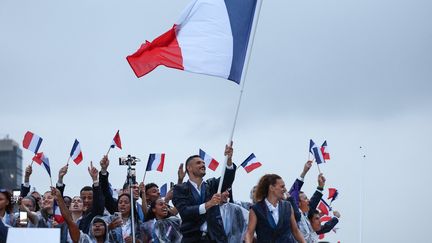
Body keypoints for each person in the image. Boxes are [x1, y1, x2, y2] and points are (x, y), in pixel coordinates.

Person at [172, 142, 236, 243]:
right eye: (198, 163)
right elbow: (185, 212)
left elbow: (227, 180)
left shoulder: (212, 185)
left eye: (203, 163)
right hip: (192, 239)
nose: (203, 165)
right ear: (189, 168)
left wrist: (229, 160)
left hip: (215, 239)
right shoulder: (179, 189)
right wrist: (208, 204)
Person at [245, 174, 306, 243]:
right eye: (282, 187)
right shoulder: (255, 209)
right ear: (271, 188)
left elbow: (295, 231)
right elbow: (249, 233)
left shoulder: (288, 206)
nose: (285, 189)